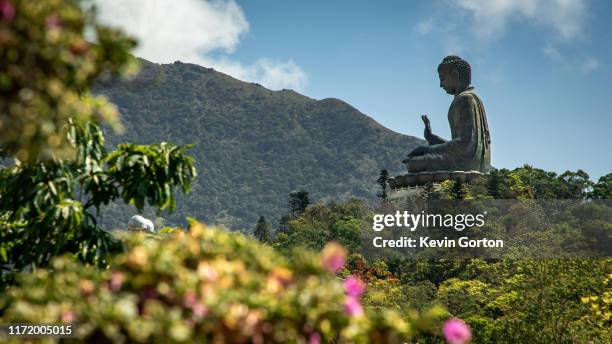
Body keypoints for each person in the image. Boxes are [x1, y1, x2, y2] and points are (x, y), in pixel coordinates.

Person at [403, 55, 491, 173]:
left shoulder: (465, 99)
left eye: (442, 78)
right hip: (470, 161)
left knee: (414, 164)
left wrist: (428, 149)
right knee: (415, 162)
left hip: (465, 164)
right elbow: (461, 143)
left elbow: (465, 144)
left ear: (455, 75)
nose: (441, 84)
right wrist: (432, 138)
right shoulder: (471, 98)